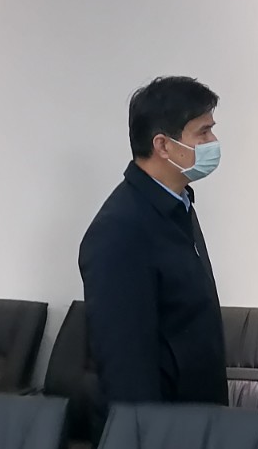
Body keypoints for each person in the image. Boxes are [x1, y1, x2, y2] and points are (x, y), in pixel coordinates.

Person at [79, 76, 226, 421]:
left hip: (199, 420)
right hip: (160, 436)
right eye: (203, 132)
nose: (213, 142)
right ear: (163, 145)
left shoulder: (177, 205)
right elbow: (126, 366)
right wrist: (150, 444)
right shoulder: (119, 230)